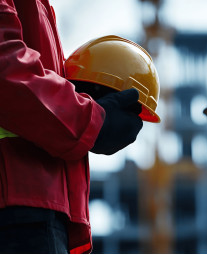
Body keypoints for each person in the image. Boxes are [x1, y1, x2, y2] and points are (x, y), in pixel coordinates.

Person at [0, 0, 157, 253]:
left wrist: (81, 100)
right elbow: (7, 71)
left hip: (33, 205)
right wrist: (93, 120)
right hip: (19, 208)